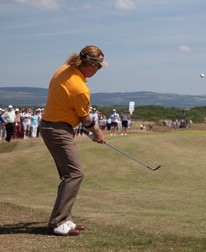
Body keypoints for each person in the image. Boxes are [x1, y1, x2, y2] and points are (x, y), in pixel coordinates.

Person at [40, 45, 107, 236]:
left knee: (70, 174)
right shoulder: (80, 88)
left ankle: (65, 218)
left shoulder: (65, 69)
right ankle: (57, 222)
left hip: (54, 127)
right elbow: (86, 120)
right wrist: (97, 133)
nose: (98, 71)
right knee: (75, 174)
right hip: (57, 129)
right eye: (98, 67)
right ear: (90, 65)